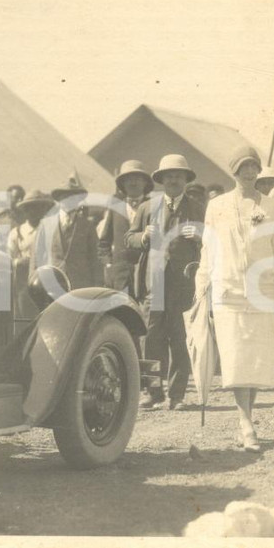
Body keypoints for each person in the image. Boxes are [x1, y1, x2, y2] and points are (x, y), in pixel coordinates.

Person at [196, 147, 274, 451]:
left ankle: (246, 420)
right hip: (228, 290)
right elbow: (207, 250)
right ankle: (245, 422)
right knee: (236, 357)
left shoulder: (273, 208)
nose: (249, 173)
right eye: (243, 168)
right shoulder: (217, 206)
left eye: (253, 167)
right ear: (233, 172)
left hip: (263, 292)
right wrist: (201, 288)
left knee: (255, 360)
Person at [127, 154, 206, 410]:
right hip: (153, 283)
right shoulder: (147, 208)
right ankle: (153, 392)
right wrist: (142, 236)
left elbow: (214, 240)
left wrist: (199, 236)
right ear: (161, 180)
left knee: (180, 338)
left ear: (185, 179)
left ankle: (178, 395)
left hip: (184, 282)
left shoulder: (196, 207)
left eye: (178, 175)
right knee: (150, 338)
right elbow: (128, 240)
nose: (173, 179)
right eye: (169, 175)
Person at [98, 160, 152, 296]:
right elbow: (104, 241)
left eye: (137, 179)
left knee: (147, 309)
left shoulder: (153, 206)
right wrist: (109, 265)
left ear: (145, 183)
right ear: (122, 184)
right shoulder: (115, 207)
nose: (133, 183)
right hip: (120, 272)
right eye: (128, 180)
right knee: (124, 310)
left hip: (147, 270)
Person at [8, 190, 55, 319]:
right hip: (25, 284)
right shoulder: (17, 232)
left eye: (38, 207)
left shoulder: (52, 230)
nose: (34, 211)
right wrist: (21, 261)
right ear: (24, 210)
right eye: (29, 208)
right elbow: (9, 259)